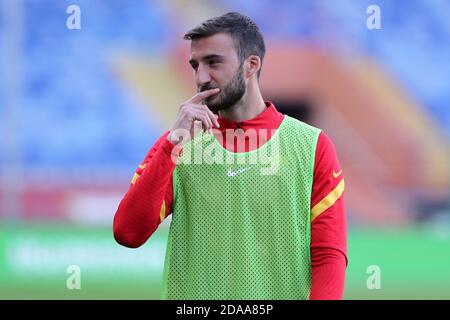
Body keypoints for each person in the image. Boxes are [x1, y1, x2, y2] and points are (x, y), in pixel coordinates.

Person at [113, 12, 347, 300]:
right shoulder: (177, 144)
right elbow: (128, 233)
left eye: (213, 62)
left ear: (251, 65)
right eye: (194, 65)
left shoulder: (312, 146)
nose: (200, 77)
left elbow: (329, 257)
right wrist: (171, 145)